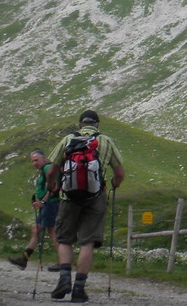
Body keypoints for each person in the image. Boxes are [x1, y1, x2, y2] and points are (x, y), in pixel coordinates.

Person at [47, 110, 125, 302]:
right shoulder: (105, 141)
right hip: (95, 196)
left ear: (80, 124)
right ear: (97, 124)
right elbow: (120, 173)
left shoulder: (68, 139)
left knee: (65, 240)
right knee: (87, 242)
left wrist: (52, 186)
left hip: (69, 196)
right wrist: (115, 183)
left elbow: (51, 169)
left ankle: (64, 279)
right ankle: (79, 289)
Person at [7, 149, 60, 269]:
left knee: (52, 232)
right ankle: (24, 258)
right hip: (47, 205)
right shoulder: (44, 169)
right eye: (32, 161)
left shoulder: (47, 168)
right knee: (36, 230)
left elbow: (55, 186)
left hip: (50, 204)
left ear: (44, 158)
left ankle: (62, 262)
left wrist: (42, 201)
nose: (34, 163)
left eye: (36, 160)